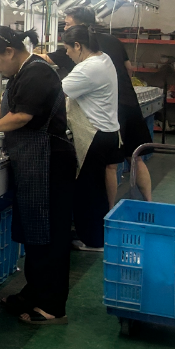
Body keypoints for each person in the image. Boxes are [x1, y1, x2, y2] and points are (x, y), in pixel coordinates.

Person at [0, 26, 75, 325]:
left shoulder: (37, 72)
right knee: (34, 233)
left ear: (10, 51)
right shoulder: (20, 73)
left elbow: (21, 117)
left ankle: (53, 305)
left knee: (50, 235)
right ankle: (34, 292)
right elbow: (8, 112)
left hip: (49, 162)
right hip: (32, 161)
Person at [38, 6, 153, 203]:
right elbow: (128, 68)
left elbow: (45, 64)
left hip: (106, 111)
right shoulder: (110, 43)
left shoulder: (81, 48)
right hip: (127, 103)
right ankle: (147, 203)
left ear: (80, 30)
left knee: (106, 167)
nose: (65, 28)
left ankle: (107, 209)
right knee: (134, 158)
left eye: (68, 24)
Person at [61, 25, 123, 251]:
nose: (67, 53)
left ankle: (93, 241)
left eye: (68, 48)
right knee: (97, 189)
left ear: (78, 46)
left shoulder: (88, 68)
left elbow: (55, 93)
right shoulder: (103, 58)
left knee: (89, 191)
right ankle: (96, 233)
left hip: (94, 136)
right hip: (109, 133)